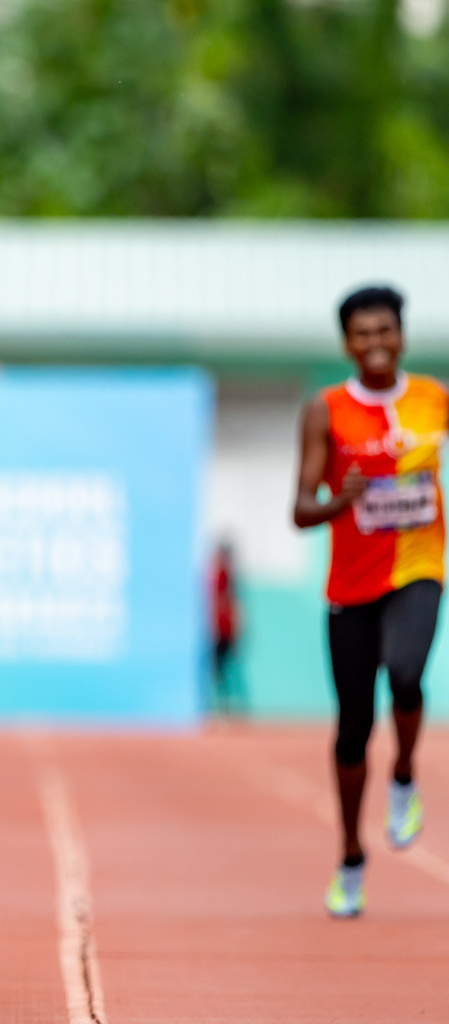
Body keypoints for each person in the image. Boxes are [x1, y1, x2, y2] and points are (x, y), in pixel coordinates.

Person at [293, 284, 439, 918]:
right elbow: (300, 511)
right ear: (346, 343)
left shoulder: (434, 400)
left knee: (406, 672)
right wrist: (342, 500)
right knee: (353, 731)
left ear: (402, 335)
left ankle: (404, 774)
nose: (376, 343)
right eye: (362, 333)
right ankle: (351, 856)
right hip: (351, 588)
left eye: (386, 330)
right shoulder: (325, 411)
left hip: (419, 568)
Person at [209, 540, 246, 716]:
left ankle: (230, 706)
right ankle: (230, 705)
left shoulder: (224, 575)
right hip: (223, 629)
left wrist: (236, 628)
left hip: (225, 630)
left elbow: (229, 602)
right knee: (225, 669)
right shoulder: (222, 574)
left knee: (225, 669)